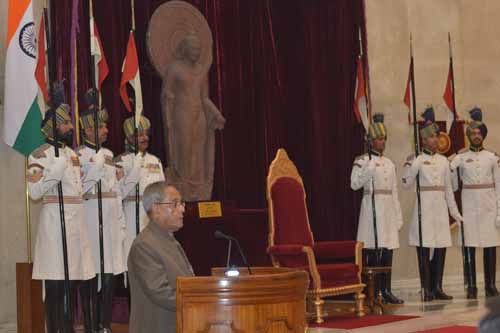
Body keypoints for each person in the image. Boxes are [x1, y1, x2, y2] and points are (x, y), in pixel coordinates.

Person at [26, 86, 96, 332]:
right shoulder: (40, 155)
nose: (70, 128)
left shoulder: (72, 154)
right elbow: (34, 192)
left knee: (74, 281)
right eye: (65, 123)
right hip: (56, 225)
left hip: (77, 224)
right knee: (56, 286)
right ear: (53, 127)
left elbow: (79, 189)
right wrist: (54, 169)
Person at [77, 96, 127, 331]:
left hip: (109, 221)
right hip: (89, 218)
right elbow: (81, 187)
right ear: (88, 129)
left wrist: (120, 221)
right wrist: (96, 165)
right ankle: (89, 323)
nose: (107, 129)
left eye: (106, 126)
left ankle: (104, 323)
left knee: (109, 275)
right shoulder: (77, 155)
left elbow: (115, 191)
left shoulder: (108, 153)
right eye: (101, 126)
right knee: (90, 274)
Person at [402, 107, 463, 302]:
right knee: (424, 247)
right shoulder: (417, 160)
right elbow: (406, 183)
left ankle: (437, 287)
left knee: (441, 247)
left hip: (440, 210)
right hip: (425, 210)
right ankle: (425, 287)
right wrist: (413, 165)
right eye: (431, 137)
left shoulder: (444, 161)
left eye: (437, 136)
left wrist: (455, 214)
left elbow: (449, 191)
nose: (436, 140)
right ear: (424, 140)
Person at [350, 113, 404, 304]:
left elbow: (394, 191)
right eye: (380, 139)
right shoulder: (362, 161)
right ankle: (372, 291)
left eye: (384, 139)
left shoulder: (389, 163)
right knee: (372, 251)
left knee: (388, 251)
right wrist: (369, 169)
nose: (383, 142)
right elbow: (354, 184)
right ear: (371, 141)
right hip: (371, 210)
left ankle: (386, 289)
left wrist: (398, 215)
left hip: (387, 210)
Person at [128, 181, 194, 333]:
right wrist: (196, 300)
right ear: (156, 209)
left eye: (181, 203)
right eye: (175, 204)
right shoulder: (144, 245)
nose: (182, 209)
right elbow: (160, 292)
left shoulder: (169, 240)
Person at [449, 107, 500, 299]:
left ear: (483, 135)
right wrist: (452, 168)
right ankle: (471, 286)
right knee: (468, 245)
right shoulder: (461, 158)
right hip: (469, 206)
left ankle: (490, 285)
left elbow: (499, 186)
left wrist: (499, 212)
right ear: (468, 136)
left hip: (488, 205)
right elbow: (453, 185)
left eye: (479, 133)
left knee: (490, 245)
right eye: (473, 133)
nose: (476, 136)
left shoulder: (493, 158)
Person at [115, 115, 165, 263]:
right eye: (140, 134)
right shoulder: (121, 161)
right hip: (131, 216)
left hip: (155, 216)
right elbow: (119, 193)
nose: (145, 138)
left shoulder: (155, 160)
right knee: (134, 259)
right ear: (129, 137)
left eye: (146, 134)